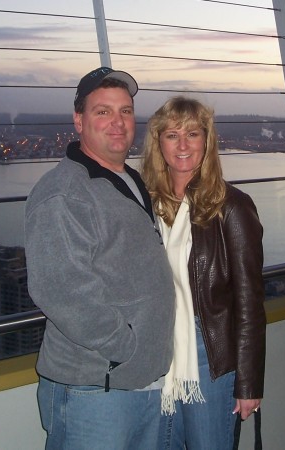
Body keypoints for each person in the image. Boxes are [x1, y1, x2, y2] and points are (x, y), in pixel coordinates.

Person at [24, 67, 175, 450]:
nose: (118, 122)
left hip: (138, 380)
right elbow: (61, 291)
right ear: (79, 119)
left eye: (125, 111)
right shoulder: (64, 192)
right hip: (94, 387)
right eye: (103, 111)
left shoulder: (128, 178)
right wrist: (124, 347)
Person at [141, 96, 266, 450]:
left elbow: (250, 301)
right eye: (172, 135)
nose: (182, 145)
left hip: (208, 351)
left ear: (207, 141)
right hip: (159, 347)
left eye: (192, 134)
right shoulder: (148, 205)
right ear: (158, 142)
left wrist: (248, 384)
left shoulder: (231, 206)